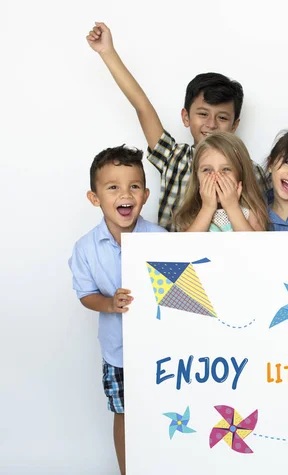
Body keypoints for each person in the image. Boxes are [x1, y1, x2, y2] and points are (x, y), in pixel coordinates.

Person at [86, 22, 270, 230]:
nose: (211, 124)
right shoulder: (175, 158)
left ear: (235, 125)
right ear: (186, 117)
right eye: (202, 114)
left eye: (222, 117)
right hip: (175, 260)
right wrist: (107, 52)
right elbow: (142, 107)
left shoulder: (249, 169)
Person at [69, 146, 166, 474]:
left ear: (145, 194)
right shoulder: (85, 248)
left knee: (162, 411)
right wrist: (110, 303)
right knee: (124, 414)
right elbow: (86, 294)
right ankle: (127, 470)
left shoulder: (160, 237)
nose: (125, 194)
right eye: (113, 187)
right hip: (118, 351)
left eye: (134, 186)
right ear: (94, 198)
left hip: (159, 351)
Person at [172, 132, 269, 232]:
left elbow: (255, 246)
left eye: (226, 169)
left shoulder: (252, 212)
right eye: (207, 170)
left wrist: (232, 207)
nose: (216, 177)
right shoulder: (191, 214)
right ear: (197, 177)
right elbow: (186, 246)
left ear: (241, 174)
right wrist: (207, 208)